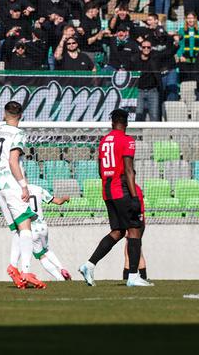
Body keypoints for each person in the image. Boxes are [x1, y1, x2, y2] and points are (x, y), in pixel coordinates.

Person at [79, 109, 153, 287]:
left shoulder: (104, 141)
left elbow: (99, 170)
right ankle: (133, 276)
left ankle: (89, 265)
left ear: (112, 122)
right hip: (121, 189)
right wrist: (134, 197)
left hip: (107, 189)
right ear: (126, 123)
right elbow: (128, 169)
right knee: (134, 230)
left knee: (118, 231)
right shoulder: (127, 140)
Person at [0, 101, 46, 289]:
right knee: (26, 226)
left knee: (17, 230)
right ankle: (26, 270)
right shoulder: (18, 133)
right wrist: (24, 186)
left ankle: (13, 266)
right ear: (21, 115)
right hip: (10, 184)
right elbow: (13, 161)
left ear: (4, 114)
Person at [0, 177, 72, 281]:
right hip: (43, 226)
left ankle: (59, 278)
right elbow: (58, 201)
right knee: (46, 249)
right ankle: (62, 268)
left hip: (29, 227)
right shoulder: (38, 189)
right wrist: (65, 198)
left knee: (41, 256)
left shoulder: (14, 191)